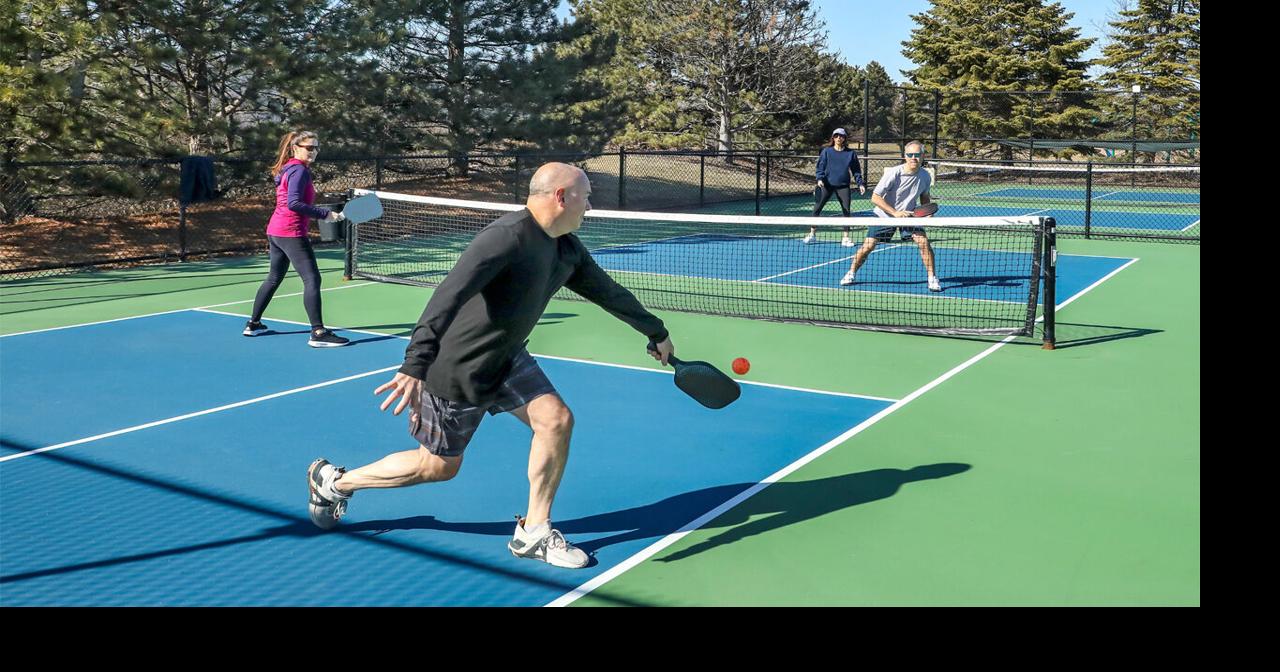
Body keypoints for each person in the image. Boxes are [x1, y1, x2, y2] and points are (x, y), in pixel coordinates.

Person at [306, 162, 676, 569]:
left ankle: (534, 530)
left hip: (508, 356)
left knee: (555, 420)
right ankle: (336, 482)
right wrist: (415, 364)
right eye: (585, 196)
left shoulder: (565, 247)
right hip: (459, 365)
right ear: (561, 196)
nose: (590, 205)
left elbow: (607, 291)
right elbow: (447, 296)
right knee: (438, 467)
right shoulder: (505, 239)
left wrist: (654, 330)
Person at [243, 130, 350, 347]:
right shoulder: (299, 171)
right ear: (295, 148)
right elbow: (293, 203)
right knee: (312, 279)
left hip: (276, 231)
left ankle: (253, 324)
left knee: (274, 278)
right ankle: (318, 332)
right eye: (309, 147)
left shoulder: (288, 168)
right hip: (290, 232)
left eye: (316, 147)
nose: (314, 151)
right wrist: (325, 214)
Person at [840, 141, 941, 293]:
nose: (913, 158)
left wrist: (926, 212)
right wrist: (894, 213)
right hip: (885, 215)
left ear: (922, 156)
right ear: (905, 156)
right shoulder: (894, 173)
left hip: (909, 216)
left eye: (917, 155)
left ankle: (932, 278)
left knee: (923, 242)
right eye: (910, 155)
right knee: (868, 246)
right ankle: (851, 272)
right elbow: (875, 197)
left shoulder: (925, 176)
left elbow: (924, 198)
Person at [805, 128, 866, 247]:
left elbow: (856, 170)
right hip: (826, 185)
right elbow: (820, 167)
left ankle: (846, 238)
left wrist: (860, 183)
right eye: (836, 135)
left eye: (841, 136)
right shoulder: (826, 151)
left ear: (844, 138)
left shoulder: (851, 154)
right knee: (817, 209)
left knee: (846, 211)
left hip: (843, 186)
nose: (839, 138)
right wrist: (820, 179)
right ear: (833, 138)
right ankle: (812, 234)